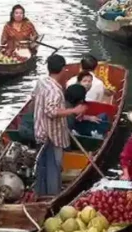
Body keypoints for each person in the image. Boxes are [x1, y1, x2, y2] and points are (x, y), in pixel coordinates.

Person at [32, 54, 87, 196]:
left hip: (40, 131)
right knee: (54, 167)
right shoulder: (55, 91)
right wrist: (74, 110)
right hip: (51, 136)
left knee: (42, 167)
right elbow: (51, 112)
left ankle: (40, 193)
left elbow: (37, 101)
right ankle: (52, 196)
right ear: (63, 69)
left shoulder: (42, 82)